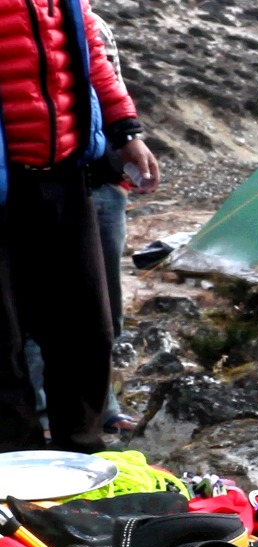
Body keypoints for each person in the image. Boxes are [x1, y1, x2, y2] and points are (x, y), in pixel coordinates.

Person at [0, 0, 160, 454]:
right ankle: (16, 458)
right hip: (4, 182)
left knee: (86, 326)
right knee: (4, 338)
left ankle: (81, 448)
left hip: (66, 177)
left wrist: (127, 131)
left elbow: (92, 58)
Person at [24, 12, 139, 440]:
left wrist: (126, 154)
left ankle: (102, 406)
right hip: (38, 180)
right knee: (39, 311)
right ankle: (41, 414)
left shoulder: (91, 22)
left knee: (103, 306)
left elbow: (112, 89)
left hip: (99, 181)